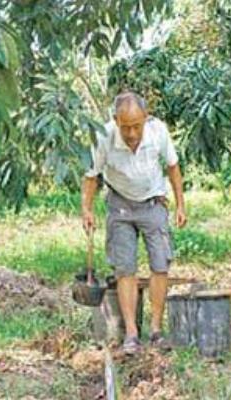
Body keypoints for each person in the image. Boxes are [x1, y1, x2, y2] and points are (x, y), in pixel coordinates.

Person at [81, 91, 187, 354]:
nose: (131, 133)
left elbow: (173, 167)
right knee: (124, 268)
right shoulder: (104, 137)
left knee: (160, 264)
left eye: (136, 126)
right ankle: (131, 334)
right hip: (120, 207)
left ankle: (156, 330)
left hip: (153, 202)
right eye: (125, 127)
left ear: (145, 119)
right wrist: (87, 209)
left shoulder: (158, 131)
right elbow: (91, 176)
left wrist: (181, 204)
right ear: (115, 121)